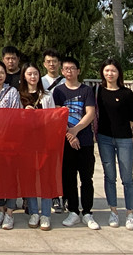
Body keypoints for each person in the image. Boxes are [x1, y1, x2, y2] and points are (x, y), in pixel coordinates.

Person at [53, 56, 99, 230]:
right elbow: (58, 114)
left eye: (72, 68)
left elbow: (90, 113)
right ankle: (72, 210)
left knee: (86, 178)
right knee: (69, 177)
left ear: (78, 71)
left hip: (85, 140)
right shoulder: (59, 91)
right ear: (62, 71)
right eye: (66, 68)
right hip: (65, 141)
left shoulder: (86, 90)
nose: (69, 71)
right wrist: (69, 134)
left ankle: (87, 212)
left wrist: (75, 131)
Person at [96, 58, 133, 231]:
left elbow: (131, 119)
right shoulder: (98, 91)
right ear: (102, 72)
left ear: (119, 73)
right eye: (107, 70)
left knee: (127, 177)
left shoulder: (127, 93)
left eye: (113, 70)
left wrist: (121, 132)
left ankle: (130, 213)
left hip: (124, 139)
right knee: (109, 176)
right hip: (104, 138)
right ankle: (113, 211)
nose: (110, 73)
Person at [17, 62, 53, 230]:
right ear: (24, 76)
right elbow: (13, 119)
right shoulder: (18, 96)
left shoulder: (47, 96)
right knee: (29, 177)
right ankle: (33, 212)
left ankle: (45, 214)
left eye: (35, 74)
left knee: (45, 178)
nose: (33, 77)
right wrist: (24, 114)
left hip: (43, 141)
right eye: (29, 74)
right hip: (25, 143)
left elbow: (52, 118)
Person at [0, 60, 20, 230]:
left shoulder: (12, 91)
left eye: (2, 72)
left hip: (9, 140)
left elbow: (14, 114)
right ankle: (1, 209)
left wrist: (3, 131)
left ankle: (10, 212)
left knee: (11, 176)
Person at [40, 48, 65, 214]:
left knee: (61, 165)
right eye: (48, 61)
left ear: (59, 63)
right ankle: (47, 195)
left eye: (54, 61)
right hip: (44, 130)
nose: (51, 64)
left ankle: (60, 195)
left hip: (62, 128)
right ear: (44, 64)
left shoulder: (65, 82)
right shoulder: (40, 81)